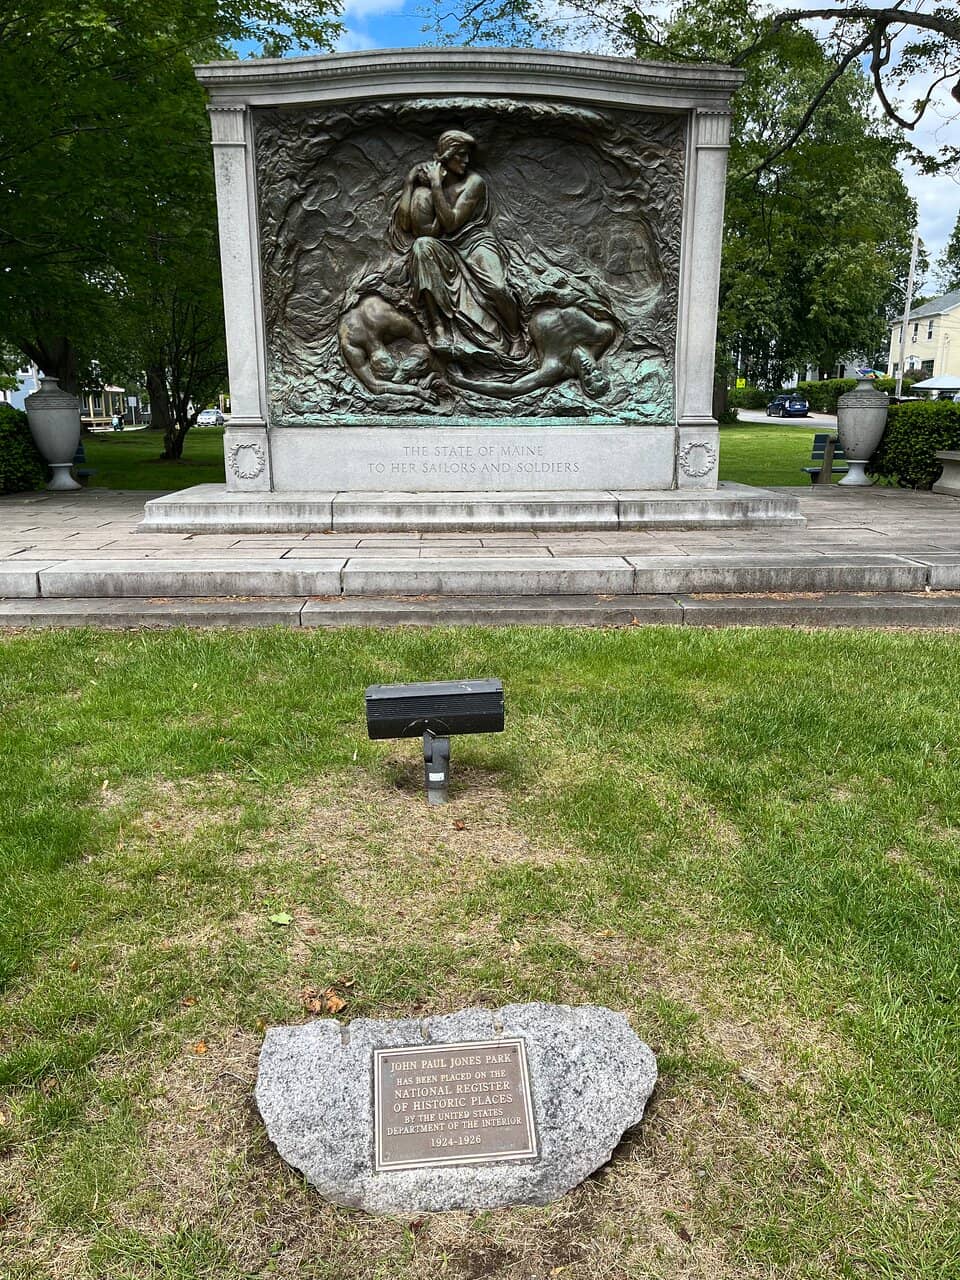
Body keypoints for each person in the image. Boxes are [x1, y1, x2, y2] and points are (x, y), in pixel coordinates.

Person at [390, 130, 523, 363]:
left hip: (474, 242)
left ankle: (515, 335)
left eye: (467, 155)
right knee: (421, 247)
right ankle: (437, 327)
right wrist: (410, 183)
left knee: (498, 287)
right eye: (460, 155)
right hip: (446, 248)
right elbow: (409, 226)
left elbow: (451, 223)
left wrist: (435, 185)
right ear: (446, 157)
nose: (466, 161)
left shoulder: (474, 183)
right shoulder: (428, 190)